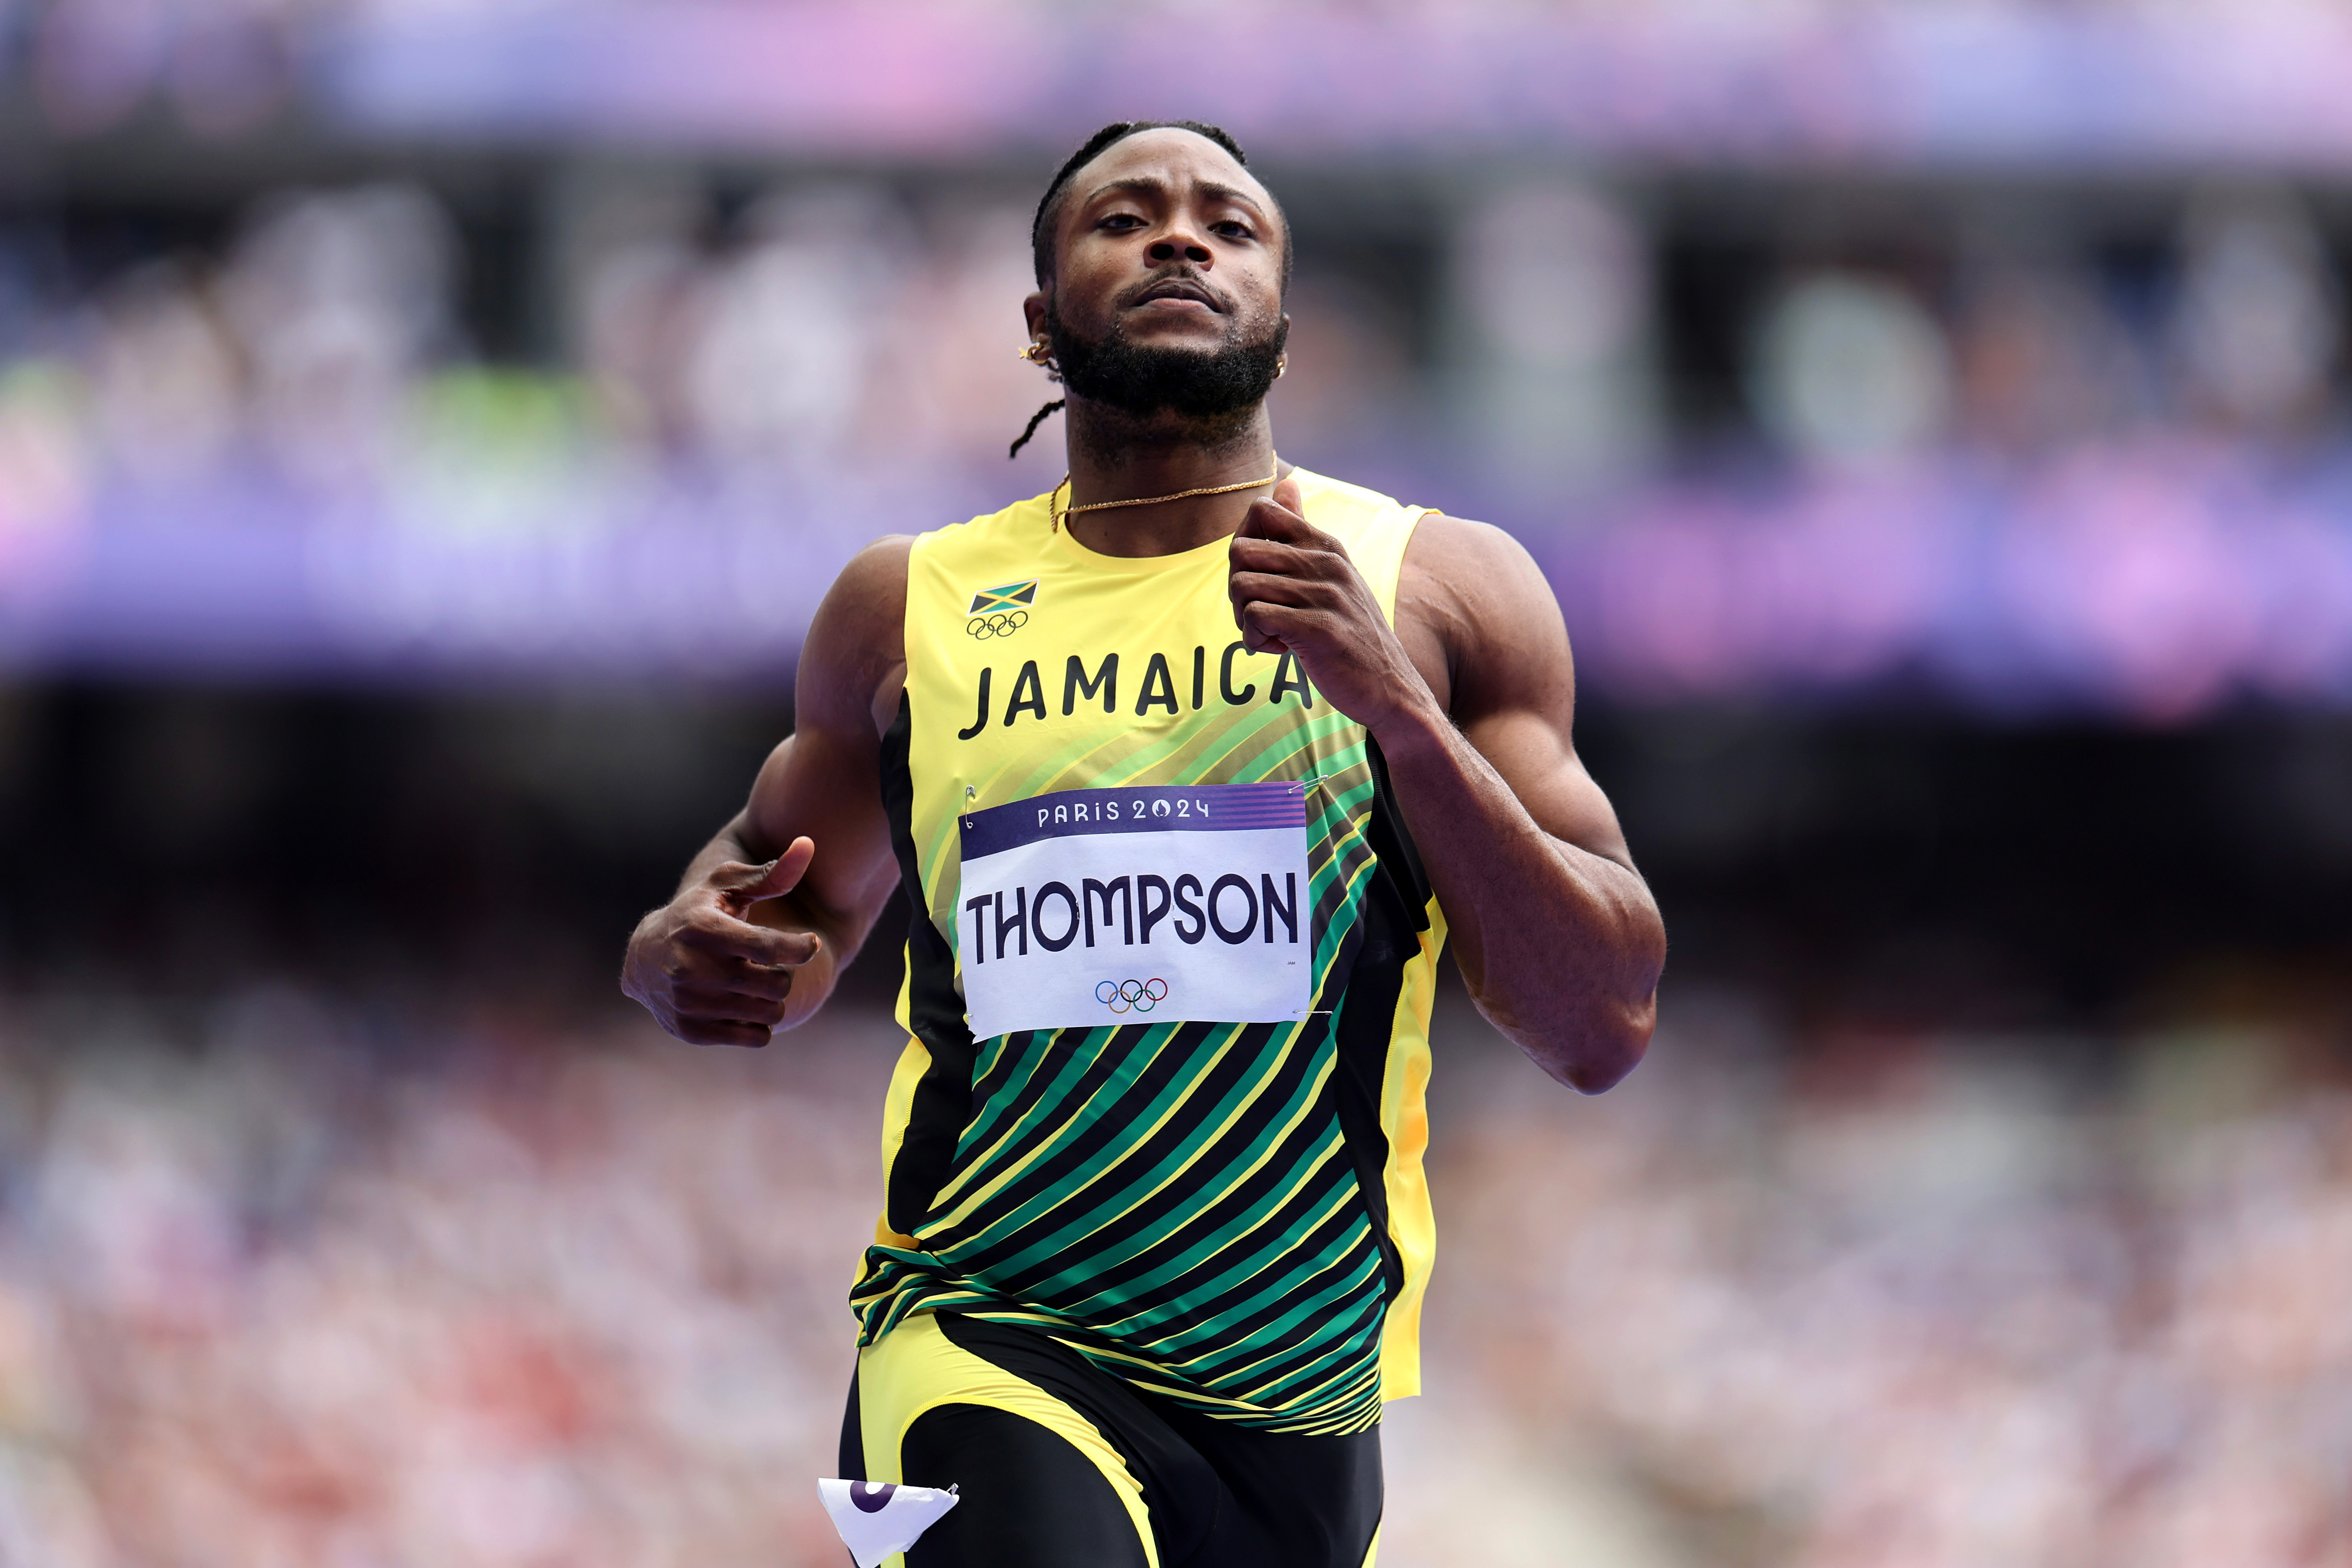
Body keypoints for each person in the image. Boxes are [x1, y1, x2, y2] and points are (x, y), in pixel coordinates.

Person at [621, 120, 1665, 1568]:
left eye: (1230, 227)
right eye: (1128, 216)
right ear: (1041, 323)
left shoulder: (1440, 592)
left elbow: (1598, 1019)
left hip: (1296, 1400)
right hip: (981, 1331)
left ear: (1283, 329)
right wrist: (679, 950)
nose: (1183, 238)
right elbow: (770, 905)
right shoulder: (904, 606)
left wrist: (1399, 716)